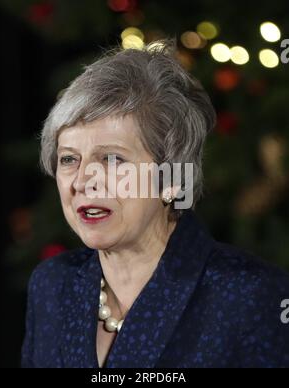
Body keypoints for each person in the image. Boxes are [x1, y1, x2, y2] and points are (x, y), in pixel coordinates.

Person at [21, 39, 289, 368]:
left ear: (171, 178)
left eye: (112, 159)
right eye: (68, 159)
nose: (82, 181)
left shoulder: (252, 296)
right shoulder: (51, 285)